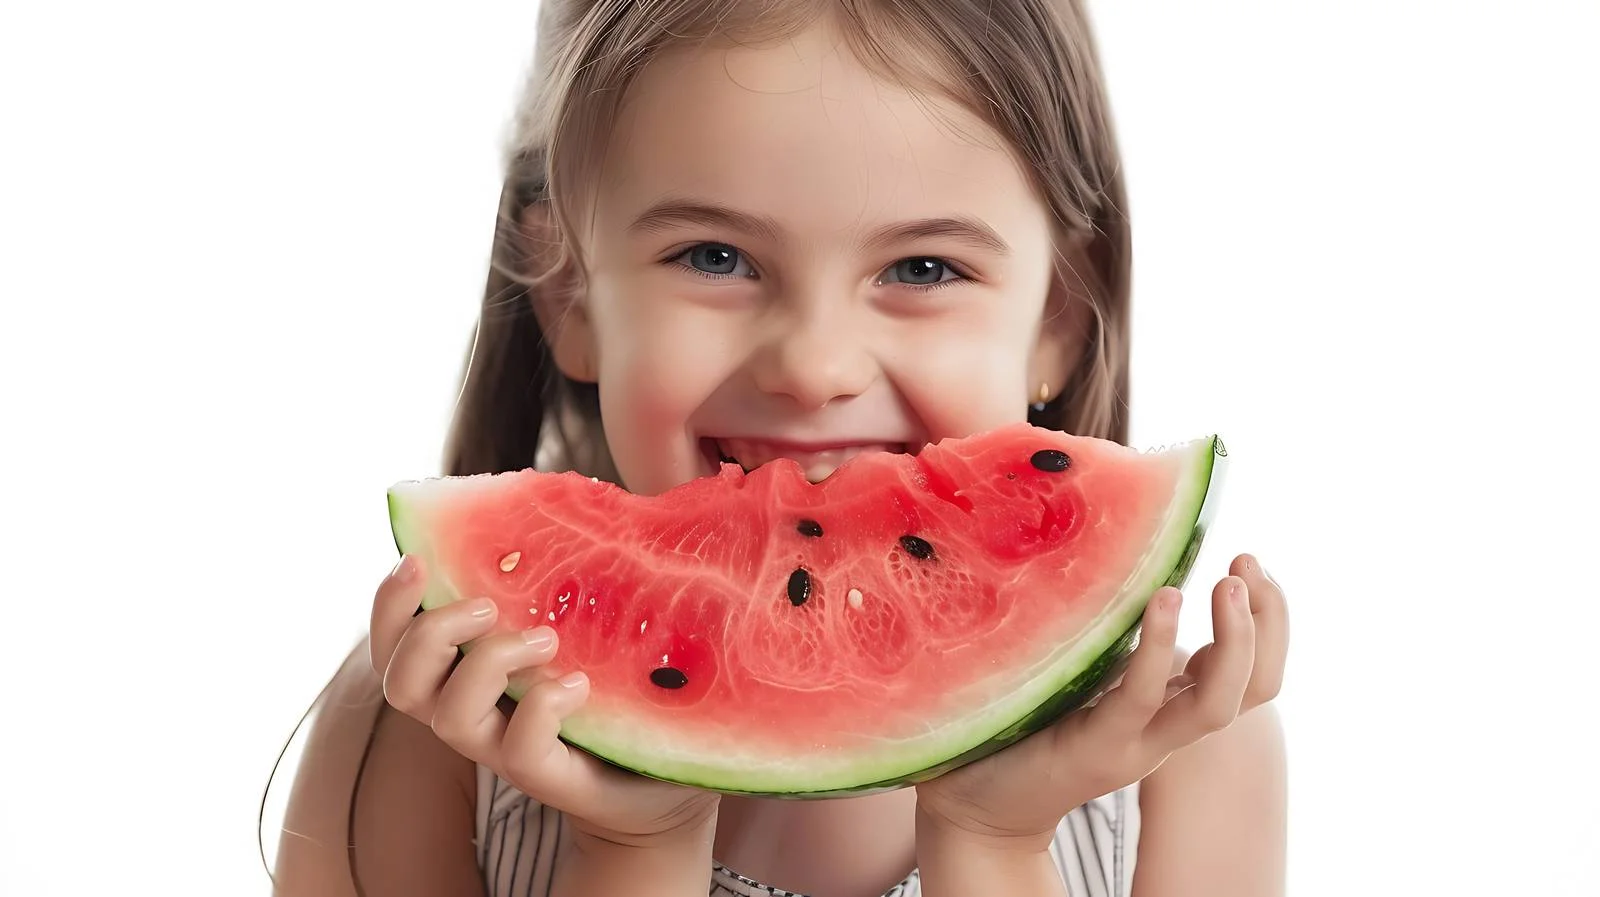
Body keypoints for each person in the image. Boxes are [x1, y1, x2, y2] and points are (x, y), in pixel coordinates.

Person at [272, 1, 1290, 894]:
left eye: (925, 267)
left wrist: (994, 838)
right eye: (714, 258)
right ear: (571, 295)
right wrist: (634, 845)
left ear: (1058, 318)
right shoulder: (422, 721)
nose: (813, 365)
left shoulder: (1190, 751)